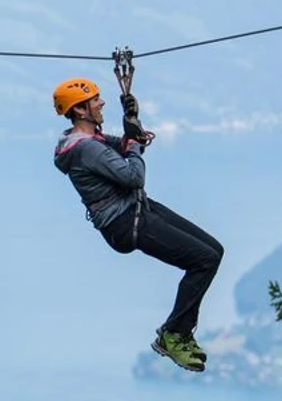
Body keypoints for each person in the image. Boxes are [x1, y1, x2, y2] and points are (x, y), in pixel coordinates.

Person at [50, 76, 223, 372]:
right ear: (80, 110)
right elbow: (133, 175)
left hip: (138, 209)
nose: (101, 102)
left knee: (214, 251)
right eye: (95, 100)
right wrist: (133, 147)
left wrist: (132, 125)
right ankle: (174, 335)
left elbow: (126, 146)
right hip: (126, 221)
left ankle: (177, 332)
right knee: (203, 259)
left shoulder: (92, 142)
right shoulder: (84, 148)